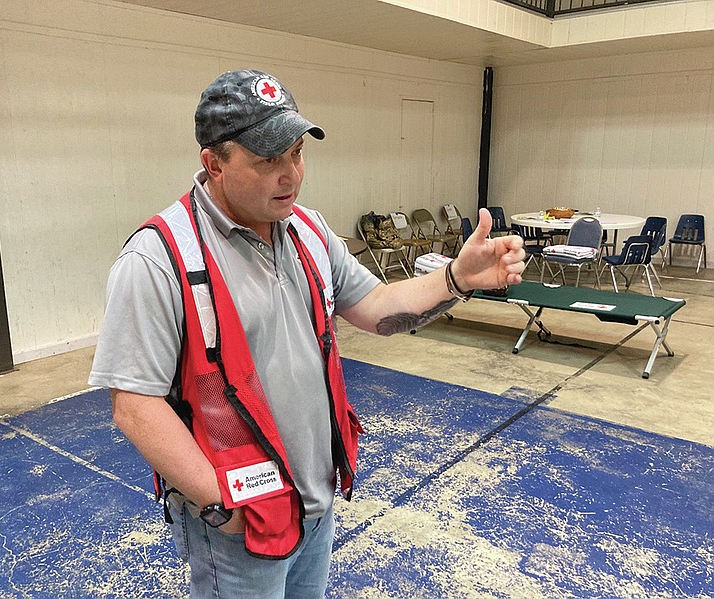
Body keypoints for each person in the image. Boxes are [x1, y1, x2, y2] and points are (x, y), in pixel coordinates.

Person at [89, 68, 525, 598]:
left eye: (295, 153)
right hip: (239, 525)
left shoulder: (310, 232)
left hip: (313, 500)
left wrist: (456, 278)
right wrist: (222, 505)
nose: (290, 175)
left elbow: (377, 307)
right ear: (213, 163)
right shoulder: (158, 259)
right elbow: (135, 404)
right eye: (267, 160)